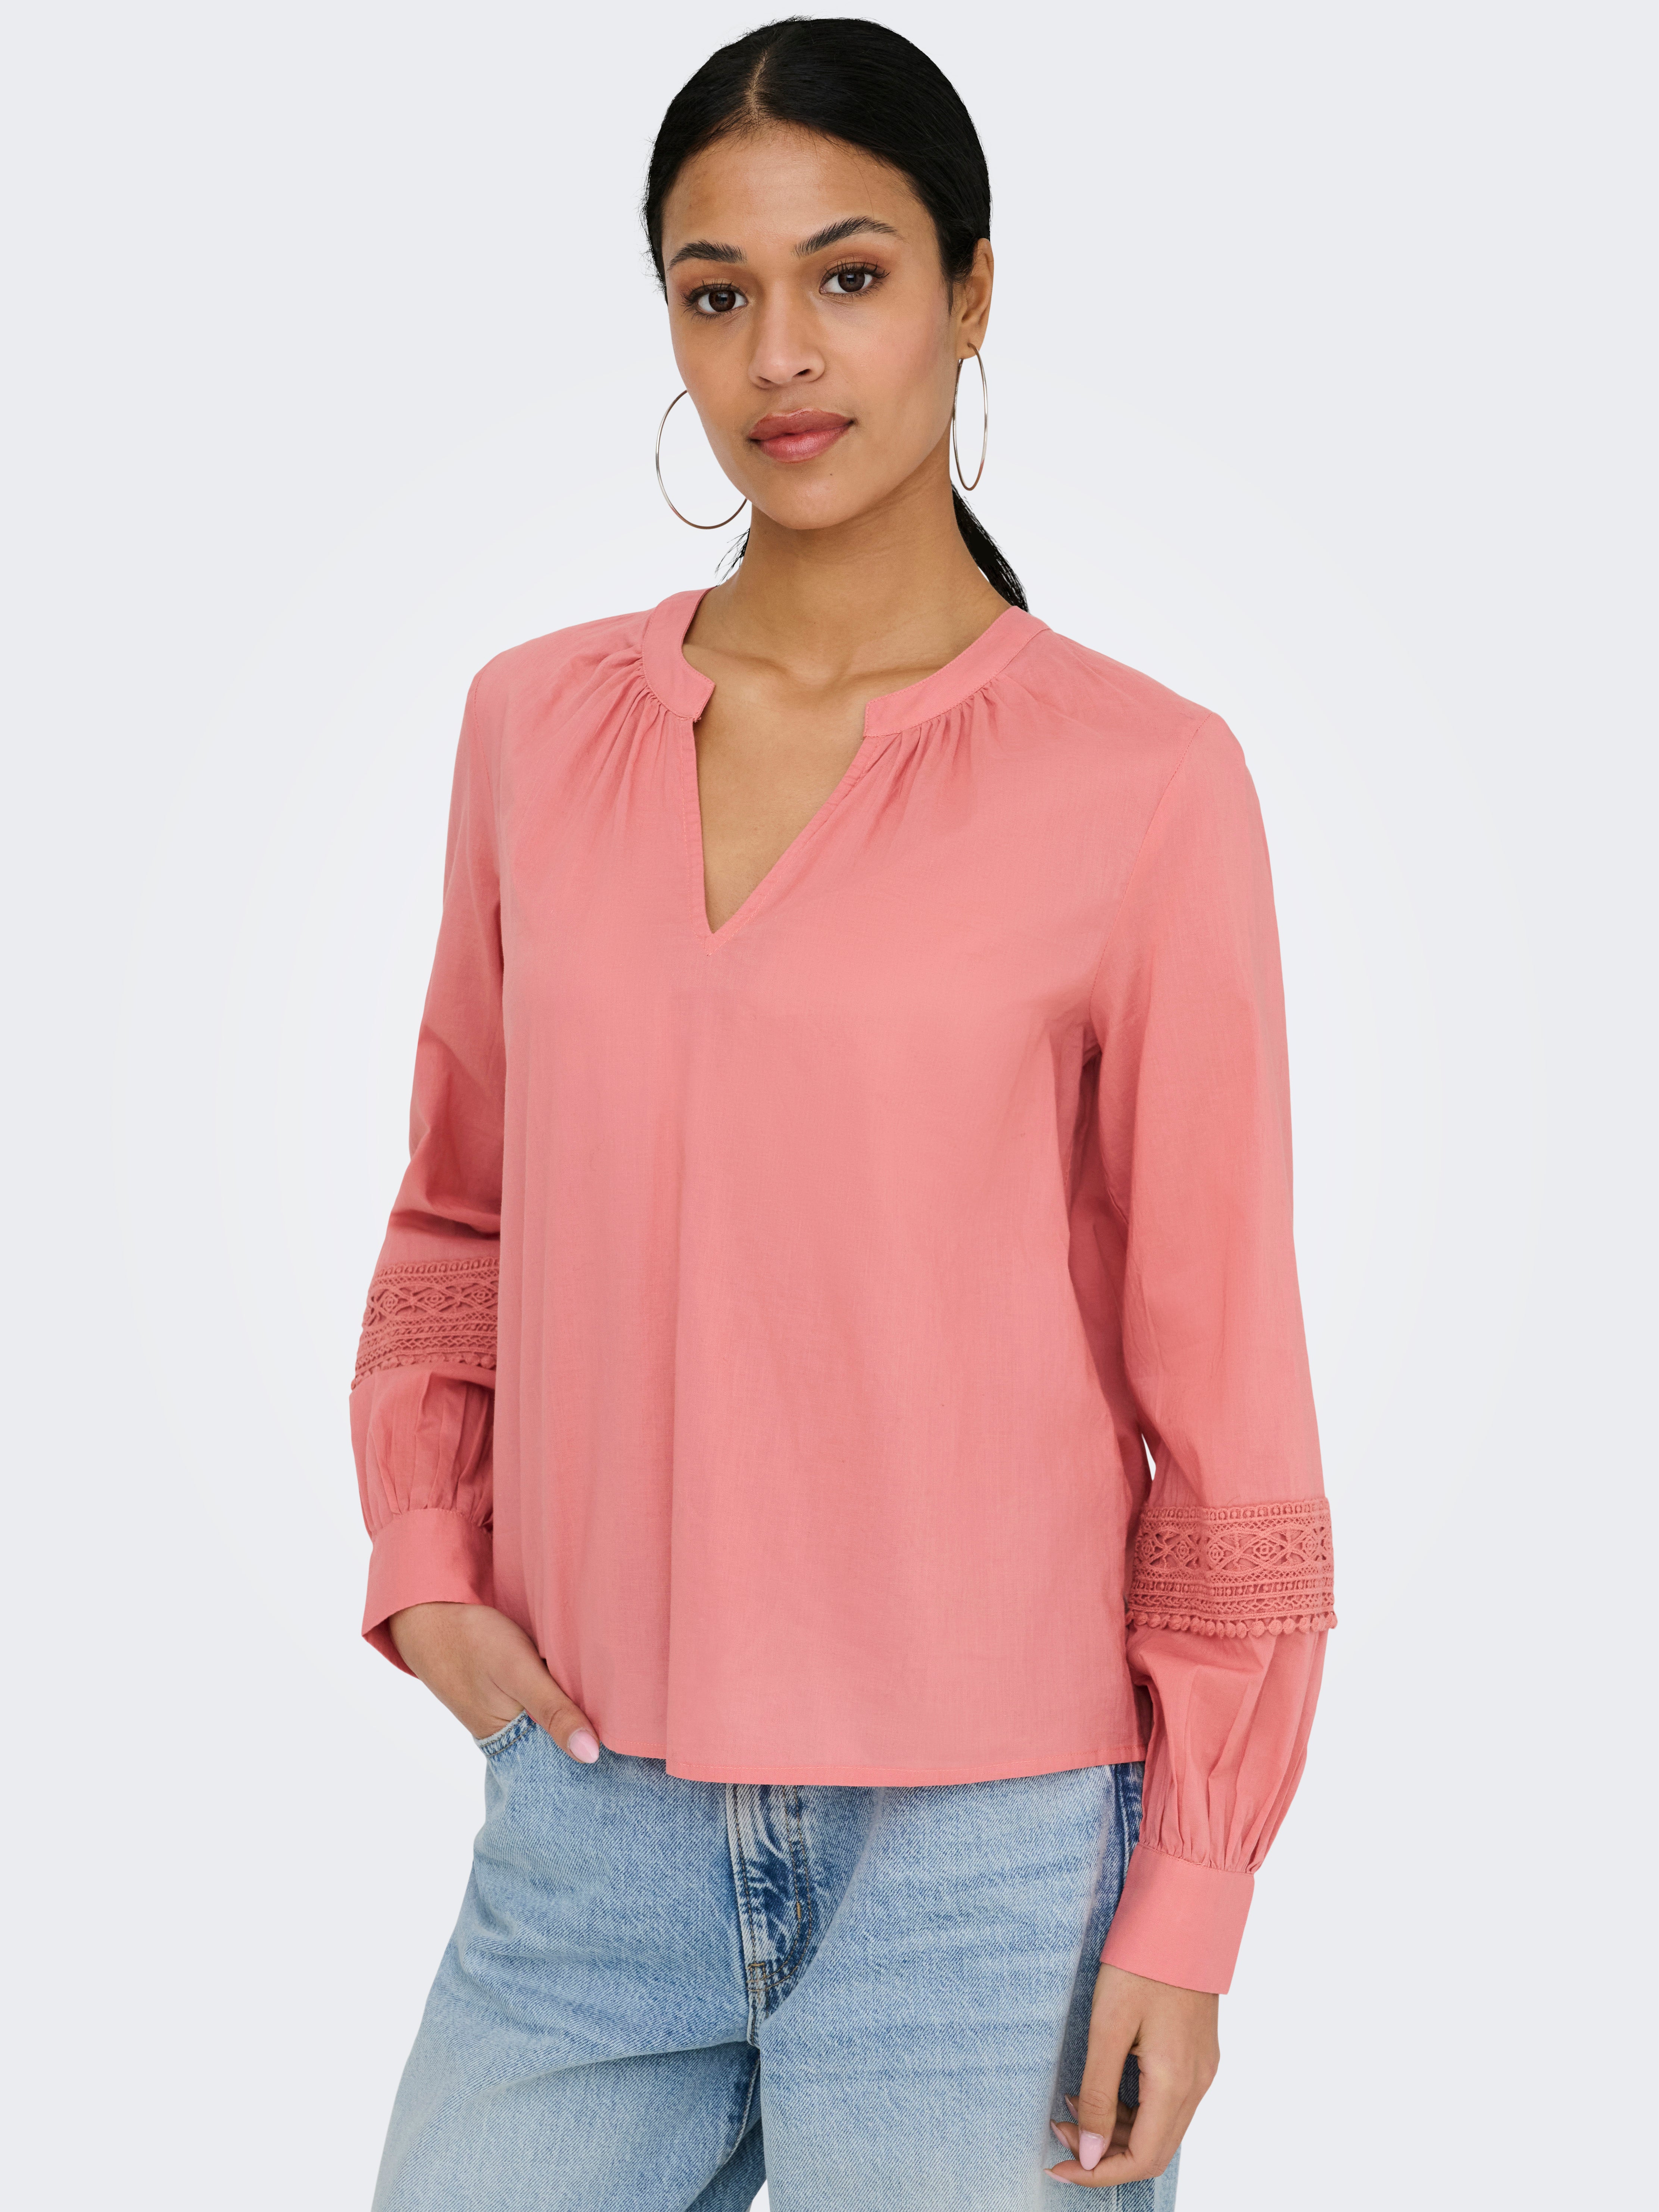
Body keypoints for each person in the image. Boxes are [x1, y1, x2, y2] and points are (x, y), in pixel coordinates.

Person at [348, 18, 1335, 2209]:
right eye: (718, 292)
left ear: (973, 294)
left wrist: (1191, 1895)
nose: (782, 355)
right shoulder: (536, 729)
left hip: (994, 1866)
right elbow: (461, 1213)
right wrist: (428, 1561)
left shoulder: (1145, 784)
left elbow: (1226, 1391)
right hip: (586, 1817)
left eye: (852, 276)